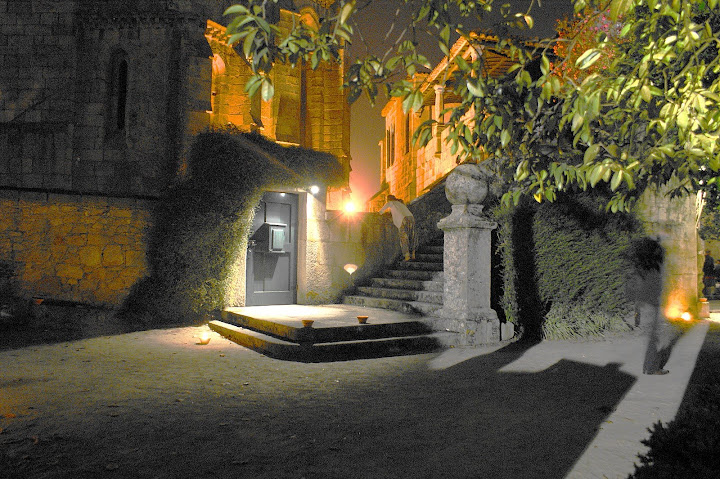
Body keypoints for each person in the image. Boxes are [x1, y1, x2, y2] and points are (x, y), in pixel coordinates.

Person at [379, 194, 417, 261]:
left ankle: (407, 256)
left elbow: (382, 210)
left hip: (403, 219)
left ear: (388, 199)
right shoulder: (400, 203)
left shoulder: (391, 202)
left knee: (404, 238)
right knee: (412, 236)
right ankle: (413, 254)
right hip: (411, 217)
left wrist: (380, 212)